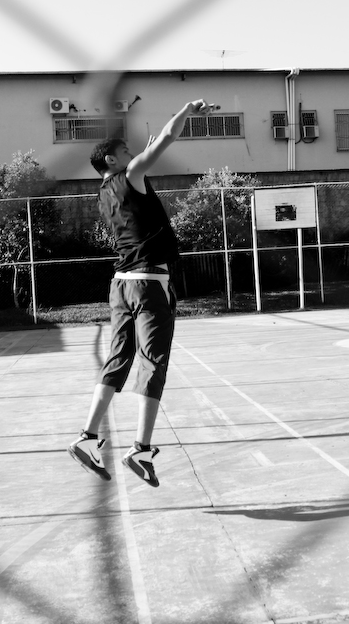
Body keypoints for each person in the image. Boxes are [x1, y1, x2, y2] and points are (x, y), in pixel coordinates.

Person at [68, 98, 215, 487]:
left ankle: (87, 436)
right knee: (153, 364)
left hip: (121, 285)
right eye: (127, 152)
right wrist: (185, 109)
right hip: (150, 284)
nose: (134, 155)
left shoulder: (103, 192)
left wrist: (141, 157)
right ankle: (140, 447)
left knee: (118, 359)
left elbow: (138, 178)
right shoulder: (130, 173)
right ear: (114, 161)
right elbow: (166, 138)